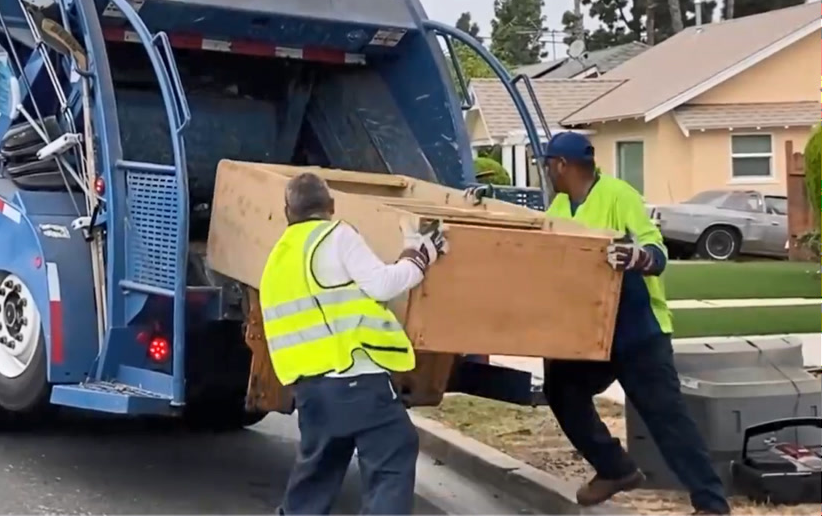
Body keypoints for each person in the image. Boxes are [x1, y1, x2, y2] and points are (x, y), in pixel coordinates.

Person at [472, 131, 730, 515]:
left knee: (666, 417)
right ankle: (615, 468)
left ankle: (711, 505)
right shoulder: (559, 206)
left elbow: (657, 251)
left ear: (562, 165)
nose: (545, 171)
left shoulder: (618, 194)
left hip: (638, 330)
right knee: (562, 390)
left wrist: (636, 256)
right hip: (591, 331)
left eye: (546, 164)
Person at [261, 172, 449, 516]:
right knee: (394, 452)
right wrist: (419, 256)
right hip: (354, 377)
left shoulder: (278, 258)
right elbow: (381, 285)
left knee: (318, 470)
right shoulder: (337, 235)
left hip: (309, 387)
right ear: (331, 206)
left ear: (288, 211)